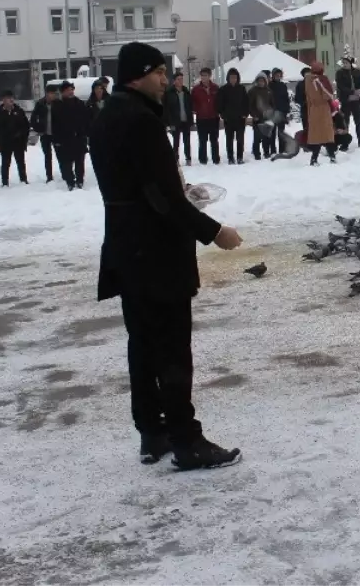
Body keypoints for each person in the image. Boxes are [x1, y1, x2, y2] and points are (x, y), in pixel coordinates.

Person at [89, 41, 243, 471]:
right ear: (139, 75)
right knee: (173, 348)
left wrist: (175, 191)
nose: (165, 80)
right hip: (155, 252)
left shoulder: (107, 117)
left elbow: (140, 187)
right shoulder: (140, 120)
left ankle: (152, 431)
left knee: (142, 344)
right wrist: (214, 232)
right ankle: (186, 439)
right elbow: (161, 199)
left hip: (125, 246)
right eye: (159, 72)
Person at [51, 81, 90, 190]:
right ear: (62, 92)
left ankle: (80, 180)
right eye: (68, 90)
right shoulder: (57, 105)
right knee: (66, 163)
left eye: (72, 89)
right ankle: (70, 182)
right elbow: (54, 124)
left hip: (79, 138)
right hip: (64, 139)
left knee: (79, 162)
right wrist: (56, 139)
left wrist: (85, 133)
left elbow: (86, 120)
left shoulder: (79, 103)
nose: (71, 92)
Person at [0, 91, 30, 186]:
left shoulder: (19, 111)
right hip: (5, 142)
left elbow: (26, 126)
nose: (11, 100)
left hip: (18, 142)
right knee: (5, 162)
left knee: (20, 161)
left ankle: (23, 179)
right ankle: (5, 182)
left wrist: (22, 136)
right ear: (3, 100)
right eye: (8, 98)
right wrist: (0, 139)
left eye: (12, 97)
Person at [303, 64, 337, 165]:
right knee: (327, 134)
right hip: (323, 109)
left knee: (316, 136)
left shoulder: (307, 80)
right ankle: (332, 157)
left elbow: (308, 98)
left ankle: (314, 159)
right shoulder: (322, 79)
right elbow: (328, 95)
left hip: (313, 109)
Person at [216, 68, 249, 165]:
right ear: (228, 78)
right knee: (229, 139)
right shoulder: (223, 89)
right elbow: (219, 104)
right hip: (228, 119)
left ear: (237, 78)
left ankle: (240, 157)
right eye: (231, 77)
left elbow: (246, 102)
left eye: (235, 77)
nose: (233, 79)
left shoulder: (241, 89)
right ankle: (230, 158)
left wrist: (245, 114)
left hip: (240, 119)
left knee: (240, 139)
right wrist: (223, 115)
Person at [334, 55, 360, 149]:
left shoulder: (357, 72)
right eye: (343, 63)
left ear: (350, 63)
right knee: (345, 122)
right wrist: (352, 92)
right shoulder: (340, 73)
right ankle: (345, 143)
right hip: (346, 100)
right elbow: (341, 86)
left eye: (346, 63)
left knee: (358, 122)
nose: (344, 65)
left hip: (356, 100)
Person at [30, 85, 59, 183]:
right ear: (47, 93)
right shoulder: (40, 103)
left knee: (60, 155)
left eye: (55, 93)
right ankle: (49, 176)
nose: (54, 95)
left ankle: (65, 174)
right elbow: (33, 119)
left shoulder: (59, 103)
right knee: (47, 156)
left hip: (56, 133)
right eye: (52, 93)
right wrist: (39, 129)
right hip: (45, 134)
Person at [191, 68, 221, 165]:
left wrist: (218, 111)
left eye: (206, 75)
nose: (204, 77)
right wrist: (196, 109)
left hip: (213, 118)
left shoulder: (215, 88)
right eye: (202, 75)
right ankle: (203, 159)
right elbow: (192, 102)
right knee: (202, 140)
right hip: (201, 118)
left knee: (214, 140)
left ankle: (216, 158)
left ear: (210, 76)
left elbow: (220, 102)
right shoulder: (196, 89)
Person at [163, 72, 193, 165]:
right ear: (174, 81)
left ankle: (188, 158)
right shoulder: (169, 93)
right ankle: (175, 159)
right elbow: (166, 109)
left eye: (181, 79)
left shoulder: (186, 91)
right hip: (175, 121)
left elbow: (190, 106)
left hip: (186, 120)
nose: (180, 81)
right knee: (176, 142)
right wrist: (168, 123)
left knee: (187, 141)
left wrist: (191, 120)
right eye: (178, 79)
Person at [247, 72, 275, 160]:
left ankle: (266, 152)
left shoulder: (269, 91)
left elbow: (272, 104)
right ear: (257, 81)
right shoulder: (252, 91)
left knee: (266, 136)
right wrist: (254, 115)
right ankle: (256, 154)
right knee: (257, 137)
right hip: (257, 117)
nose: (261, 82)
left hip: (267, 117)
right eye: (259, 80)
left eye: (262, 80)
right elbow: (249, 105)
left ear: (265, 81)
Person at [268, 68, 292, 153]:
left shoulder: (283, 85)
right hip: (272, 113)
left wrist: (287, 110)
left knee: (281, 132)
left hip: (282, 112)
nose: (278, 77)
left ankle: (282, 149)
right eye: (276, 75)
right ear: (273, 76)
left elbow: (286, 99)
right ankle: (273, 150)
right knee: (272, 133)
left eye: (279, 75)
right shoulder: (269, 85)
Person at [294, 67, 311, 136]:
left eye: (309, 73)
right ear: (303, 75)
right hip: (305, 109)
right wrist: (304, 102)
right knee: (306, 127)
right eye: (306, 73)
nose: (308, 75)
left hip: (315, 109)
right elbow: (297, 98)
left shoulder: (315, 83)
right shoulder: (300, 84)